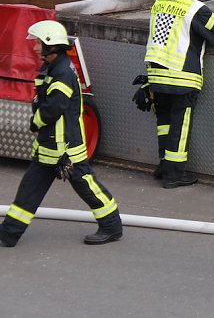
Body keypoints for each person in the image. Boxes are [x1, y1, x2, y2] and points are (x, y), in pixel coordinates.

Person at [0, 20, 123, 247]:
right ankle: (9, 233)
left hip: (65, 147)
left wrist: (34, 121)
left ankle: (111, 225)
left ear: (51, 46)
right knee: (30, 188)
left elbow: (53, 108)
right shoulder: (53, 68)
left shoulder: (62, 73)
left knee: (85, 184)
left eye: (38, 43)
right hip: (50, 145)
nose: (35, 48)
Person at [145, 0, 214, 189]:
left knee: (164, 122)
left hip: (156, 74)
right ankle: (174, 174)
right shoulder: (195, 9)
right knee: (179, 126)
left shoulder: (159, 2)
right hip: (181, 76)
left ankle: (164, 165)